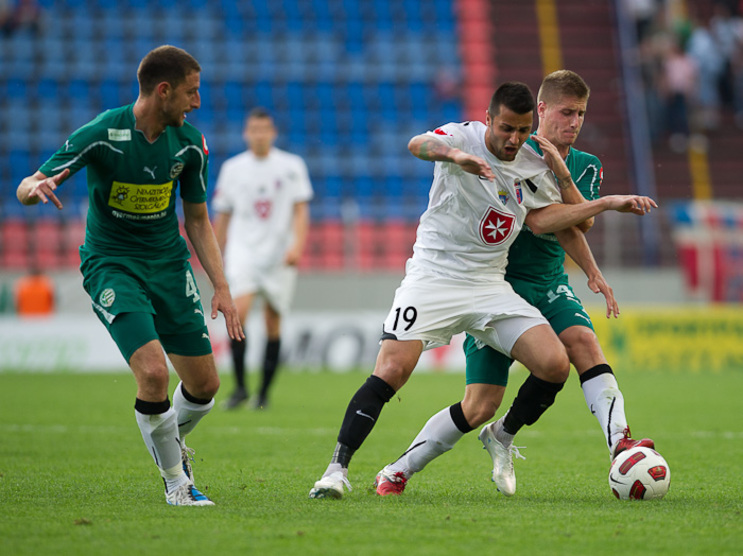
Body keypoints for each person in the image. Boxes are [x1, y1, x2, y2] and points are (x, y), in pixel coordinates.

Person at [308, 81, 657, 499]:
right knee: (393, 371)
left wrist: (601, 222)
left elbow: (546, 220)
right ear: (489, 119)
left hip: (490, 284)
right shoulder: (464, 137)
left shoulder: (533, 162)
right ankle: (336, 471)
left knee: (554, 364)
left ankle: (512, 435)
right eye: (506, 128)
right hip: (434, 278)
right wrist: (455, 156)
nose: (514, 139)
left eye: (522, 131)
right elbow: (418, 144)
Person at [16, 45, 244, 506]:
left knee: (205, 386)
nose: (197, 102)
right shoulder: (104, 133)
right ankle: (177, 483)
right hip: (112, 264)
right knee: (154, 374)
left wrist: (221, 286)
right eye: (191, 92)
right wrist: (35, 188)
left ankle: (167, 440)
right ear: (164, 91)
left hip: (168, 265)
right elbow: (27, 185)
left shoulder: (190, 145)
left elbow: (197, 219)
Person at [212, 108, 313, 410]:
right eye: (253, 130)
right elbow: (222, 215)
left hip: (279, 253)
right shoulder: (233, 168)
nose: (259, 135)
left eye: (264, 129)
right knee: (238, 314)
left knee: (273, 321)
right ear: (246, 133)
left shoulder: (291, 166)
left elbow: (300, 210)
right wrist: (214, 254)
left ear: (273, 133)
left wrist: (297, 246)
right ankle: (241, 387)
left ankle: (264, 394)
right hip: (243, 251)